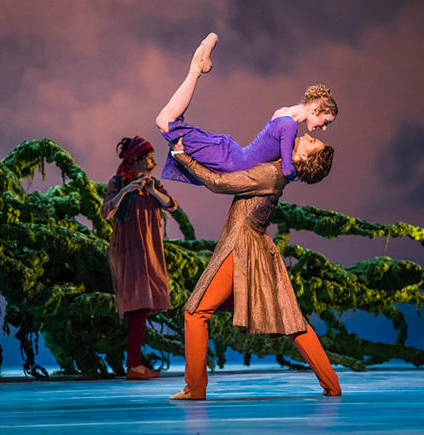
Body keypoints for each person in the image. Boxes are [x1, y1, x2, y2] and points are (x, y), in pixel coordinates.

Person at [167, 133, 341, 400]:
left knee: (195, 313)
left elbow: (218, 182)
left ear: (304, 156)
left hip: (241, 249)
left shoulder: (271, 174)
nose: (305, 134)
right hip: (258, 251)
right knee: (293, 322)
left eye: (311, 141)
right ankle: (332, 386)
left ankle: (195, 388)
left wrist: (182, 157)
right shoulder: (281, 170)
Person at [155, 33, 337, 185]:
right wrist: (296, 176)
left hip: (234, 156)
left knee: (171, 122)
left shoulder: (284, 112)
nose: (325, 127)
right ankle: (195, 71)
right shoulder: (290, 126)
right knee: (165, 121)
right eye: (326, 121)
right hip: (232, 162)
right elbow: (287, 168)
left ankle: (195, 71)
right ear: (315, 108)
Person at [101, 136, 178, 380]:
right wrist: (125, 190)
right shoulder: (118, 181)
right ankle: (133, 364)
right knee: (139, 306)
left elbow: (171, 205)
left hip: (150, 250)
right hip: (129, 250)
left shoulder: (152, 184)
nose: (153, 162)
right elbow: (106, 211)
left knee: (141, 308)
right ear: (135, 160)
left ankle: (134, 363)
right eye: (149, 157)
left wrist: (153, 191)